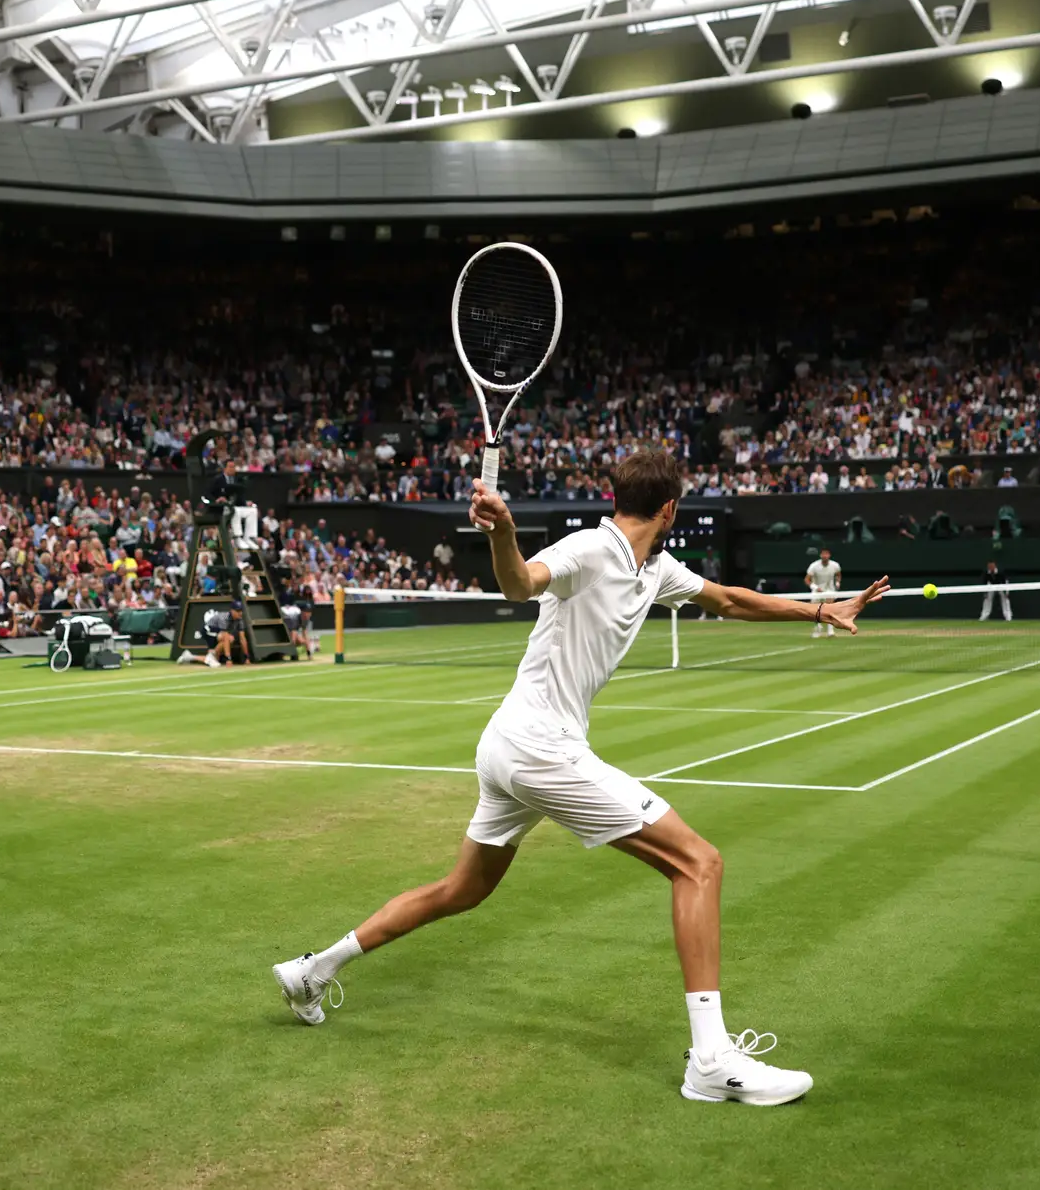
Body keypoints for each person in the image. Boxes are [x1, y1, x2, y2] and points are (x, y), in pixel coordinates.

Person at [271, 451, 890, 1106]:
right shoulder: (588, 550)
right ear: (671, 509)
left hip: (507, 742)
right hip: (539, 747)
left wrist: (821, 611)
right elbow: (520, 584)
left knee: (462, 890)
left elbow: (730, 600)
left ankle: (311, 972)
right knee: (698, 864)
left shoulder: (656, 568)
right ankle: (711, 1060)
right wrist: (502, 533)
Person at [804, 546, 842, 639]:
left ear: (829, 555)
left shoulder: (835, 565)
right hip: (817, 591)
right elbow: (807, 579)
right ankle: (818, 629)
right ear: (820, 555)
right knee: (815, 611)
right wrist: (816, 588)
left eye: (826, 554)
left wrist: (837, 582)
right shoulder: (814, 566)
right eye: (823, 554)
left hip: (829, 590)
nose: (825, 556)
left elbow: (838, 575)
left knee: (830, 610)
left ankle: (830, 631)